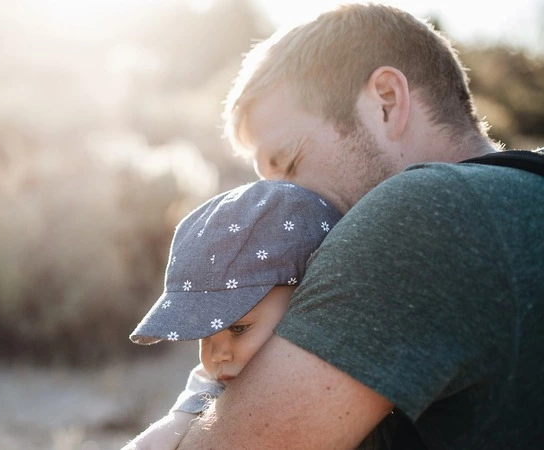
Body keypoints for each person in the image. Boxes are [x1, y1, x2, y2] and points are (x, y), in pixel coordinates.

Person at [173, 3, 544, 449]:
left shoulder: (421, 214)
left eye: (289, 163)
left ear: (387, 101)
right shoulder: (523, 193)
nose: (278, 207)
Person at [122, 180, 347, 450]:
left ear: (305, 298)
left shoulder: (342, 374)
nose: (217, 355)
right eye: (204, 335)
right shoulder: (220, 382)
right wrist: (177, 421)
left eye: (238, 328)